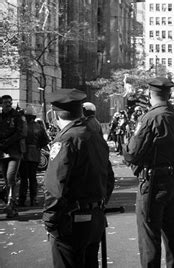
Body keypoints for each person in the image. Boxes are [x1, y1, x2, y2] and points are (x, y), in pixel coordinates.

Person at [123, 77, 174, 267]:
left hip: (153, 183)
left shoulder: (149, 118)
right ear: (169, 95)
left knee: (149, 238)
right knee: (173, 234)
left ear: (149, 94)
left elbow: (132, 154)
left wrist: (126, 145)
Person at [42, 88, 115, 267]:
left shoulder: (66, 140)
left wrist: (50, 220)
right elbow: (109, 177)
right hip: (95, 216)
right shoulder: (95, 136)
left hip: (71, 221)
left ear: (54, 114)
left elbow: (55, 186)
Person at [0, 95, 26, 218]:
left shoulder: (17, 116)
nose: (8, 104)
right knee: (6, 179)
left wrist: (6, 142)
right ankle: (10, 204)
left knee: (11, 177)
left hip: (14, 152)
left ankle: (11, 206)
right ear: (1, 104)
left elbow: (21, 132)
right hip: (2, 152)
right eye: (5, 102)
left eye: (10, 102)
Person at [18, 107, 50, 207]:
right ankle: (33, 199)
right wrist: (38, 147)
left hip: (23, 154)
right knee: (33, 178)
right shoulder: (39, 127)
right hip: (35, 154)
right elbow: (45, 141)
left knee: (24, 178)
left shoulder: (21, 126)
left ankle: (22, 200)